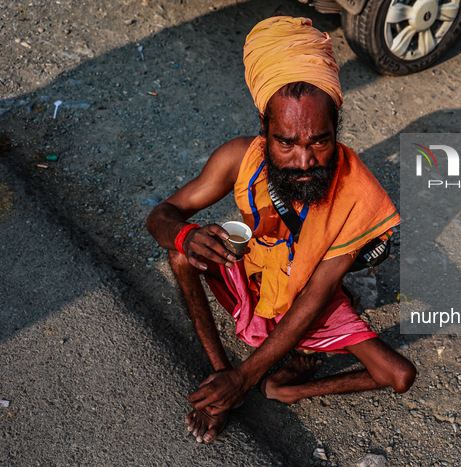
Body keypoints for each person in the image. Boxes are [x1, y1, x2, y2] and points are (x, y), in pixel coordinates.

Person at [146, 16, 416, 444]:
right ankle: (220, 377)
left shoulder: (356, 192)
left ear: (336, 125)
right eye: (286, 143)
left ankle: (286, 387)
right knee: (181, 254)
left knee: (398, 375)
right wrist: (185, 235)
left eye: (320, 142)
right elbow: (162, 214)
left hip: (309, 299)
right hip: (255, 275)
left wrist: (247, 378)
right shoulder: (240, 158)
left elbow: (316, 295)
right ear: (264, 126)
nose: (304, 161)